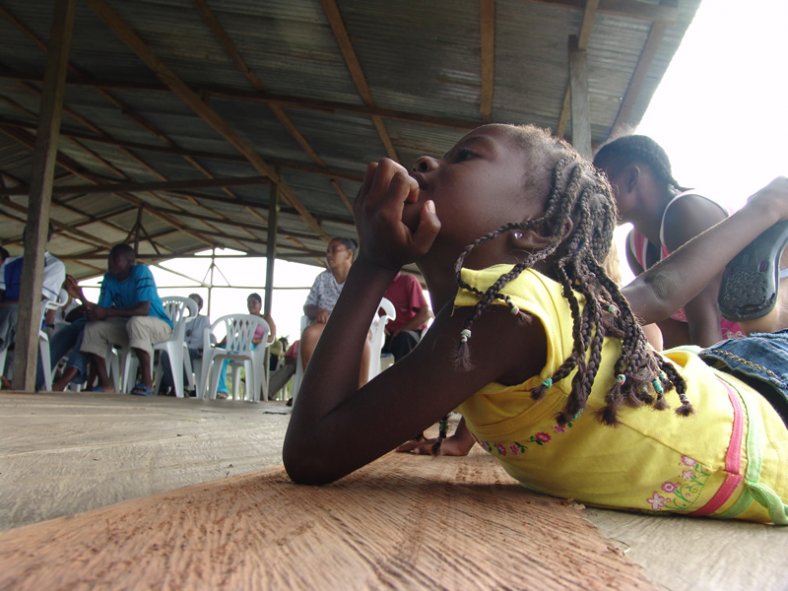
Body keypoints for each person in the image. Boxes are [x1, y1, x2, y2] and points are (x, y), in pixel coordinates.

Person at [283, 123, 787, 524]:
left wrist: (373, 262)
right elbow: (652, 292)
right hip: (735, 380)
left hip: (768, 419)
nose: (426, 162)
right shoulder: (499, 319)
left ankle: (771, 244)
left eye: (465, 155)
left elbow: (312, 453)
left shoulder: (509, 314)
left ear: (538, 232)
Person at [592, 135, 741, 348]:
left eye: (599, 184)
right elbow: (672, 331)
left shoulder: (687, 212)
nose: (593, 196)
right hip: (732, 348)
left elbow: (707, 324)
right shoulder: (636, 244)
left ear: (631, 179)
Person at [79, 244, 172, 395]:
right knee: (93, 328)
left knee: (136, 322)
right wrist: (94, 312)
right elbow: (103, 310)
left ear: (130, 262)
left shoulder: (141, 272)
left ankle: (147, 383)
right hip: (130, 326)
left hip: (159, 326)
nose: (110, 264)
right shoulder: (109, 278)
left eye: (116, 260)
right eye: (109, 260)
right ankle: (105, 384)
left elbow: (143, 310)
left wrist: (106, 312)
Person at [0, 224, 66, 388]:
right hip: (6, 313)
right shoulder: (9, 262)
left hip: (32, 317)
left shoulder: (54, 265)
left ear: (47, 239)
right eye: (27, 234)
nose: (30, 238)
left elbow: (37, 299)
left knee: (12, 310)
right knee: (8, 311)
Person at [299, 238, 370, 384]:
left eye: (334, 250)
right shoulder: (322, 279)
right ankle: (312, 388)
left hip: (355, 325)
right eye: (327, 251)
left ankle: (361, 390)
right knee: (310, 333)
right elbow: (308, 306)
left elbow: (367, 309)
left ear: (348, 255)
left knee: (361, 337)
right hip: (326, 325)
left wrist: (349, 321)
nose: (329, 254)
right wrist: (318, 311)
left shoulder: (361, 278)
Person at [382, 272, 432, 362]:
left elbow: (425, 314)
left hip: (409, 333)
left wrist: (400, 330)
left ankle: (402, 375)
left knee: (403, 337)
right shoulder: (375, 284)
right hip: (384, 334)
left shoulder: (408, 281)